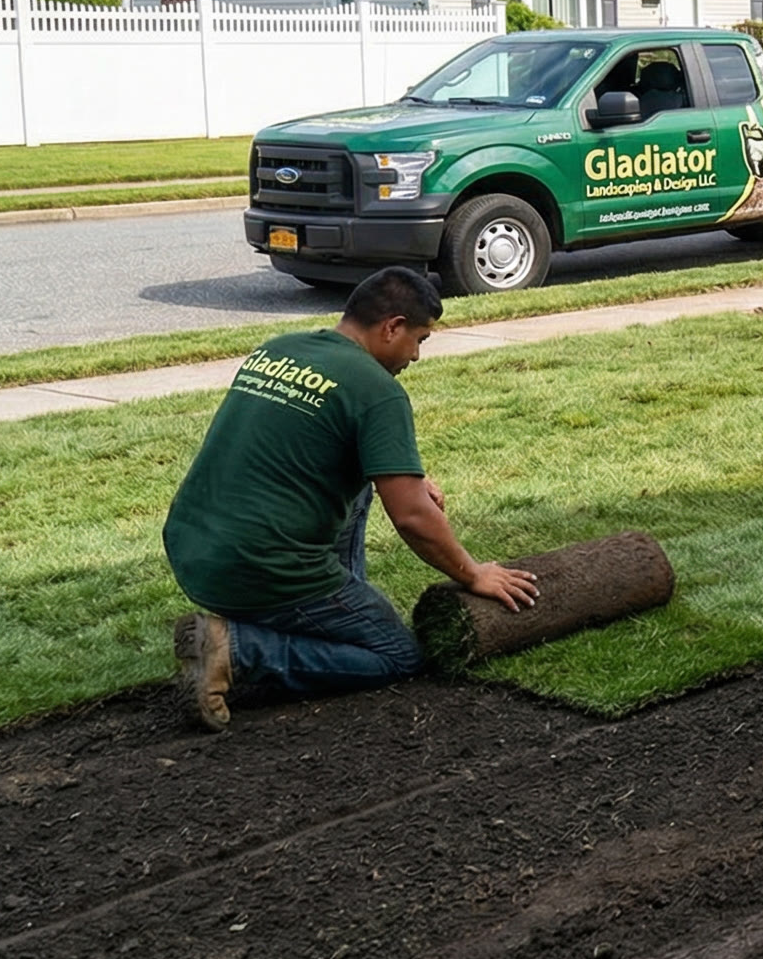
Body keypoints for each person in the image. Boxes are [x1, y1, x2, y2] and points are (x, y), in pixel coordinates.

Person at [166, 266, 539, 731]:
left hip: (194, 548)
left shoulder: (280, 350)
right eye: (420, 339)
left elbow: (301, 445)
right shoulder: (377, 391)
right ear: (392, 327)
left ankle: (327, 609)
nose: (417, 356)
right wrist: (473, 572)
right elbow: (413, 518)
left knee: (367, 481)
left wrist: (406, 479)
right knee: (397, 655)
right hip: (258, 567)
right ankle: (234, 648)